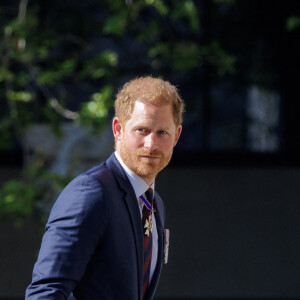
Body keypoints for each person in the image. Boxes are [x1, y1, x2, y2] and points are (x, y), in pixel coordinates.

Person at [25, 76, 184, 300]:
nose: (151, 144)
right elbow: (45, 292)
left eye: (162, 133)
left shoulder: (154, 203)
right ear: (118, 129)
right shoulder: (90, 194)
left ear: (176, 136)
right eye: (142, 130)